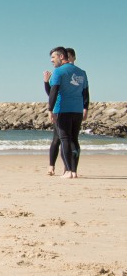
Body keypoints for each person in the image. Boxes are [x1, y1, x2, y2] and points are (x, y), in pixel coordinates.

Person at [47, 46, 88, 179]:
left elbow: (53, 91)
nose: (52, 60)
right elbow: (85, 92)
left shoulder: (58, 72)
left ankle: (68, 171)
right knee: (74, 139)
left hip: (63, 109)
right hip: (77, 110)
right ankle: (74, 171)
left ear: (61, 56)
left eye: (53, 57)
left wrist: (50, 109)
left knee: (64, 139)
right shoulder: (82, 72)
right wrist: (85, 107)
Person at [43, 47, 78, 175]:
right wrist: (46, 82)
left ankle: (70, 170)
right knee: (58, 139)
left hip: (69, 110)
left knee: (69, 139)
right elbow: (51, 93)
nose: (52, 60)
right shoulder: (58, 72)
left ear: (72, 58)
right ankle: (52, 166)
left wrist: (84, 107)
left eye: (70, 56)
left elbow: (83, 92)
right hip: (60, 109)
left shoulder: (76, 73)